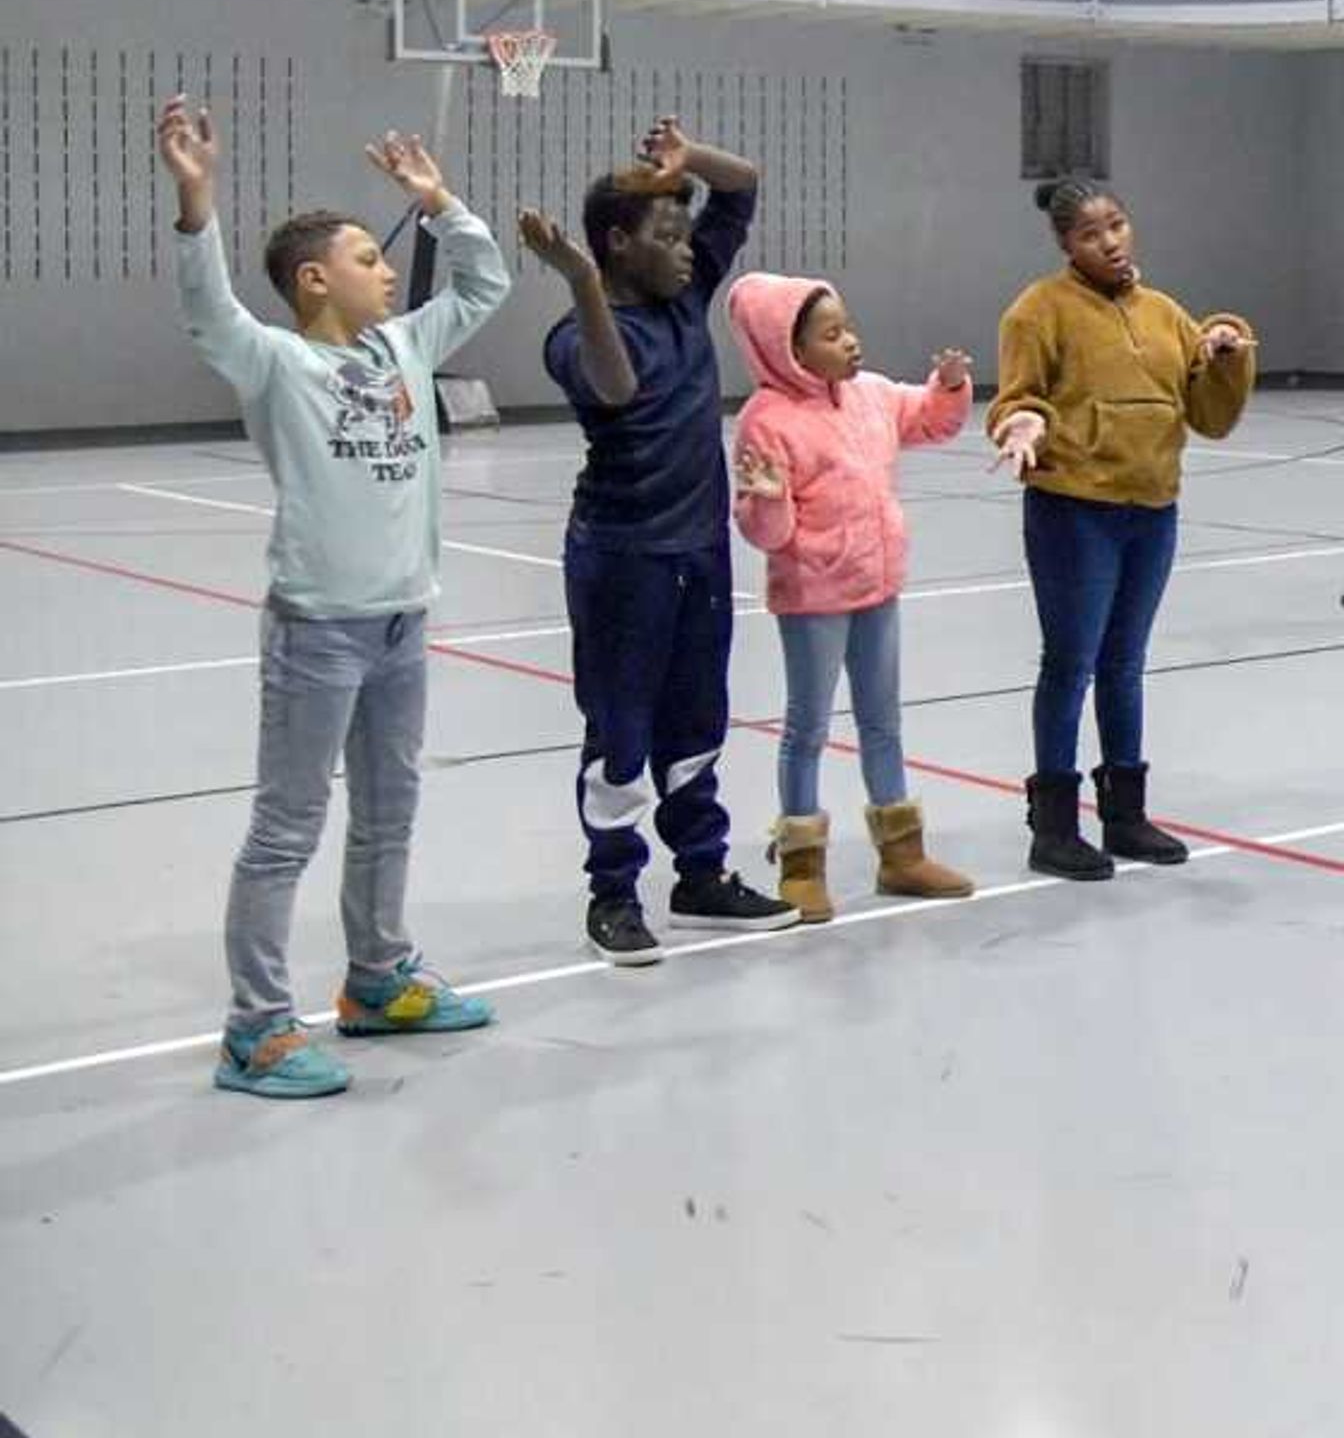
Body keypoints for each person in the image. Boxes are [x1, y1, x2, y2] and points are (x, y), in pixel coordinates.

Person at [159, 97, 506, 1097]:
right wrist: (196, 201)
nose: (388, 269)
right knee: (287, 825)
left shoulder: (403, 349)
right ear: (315, 280)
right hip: (320, 632)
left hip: (405, 620)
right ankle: (257, 1026)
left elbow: (485, 280)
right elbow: (207, 310)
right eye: (368, 256)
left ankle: (378, 979)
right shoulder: (275, 362)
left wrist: (438, 203)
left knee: (390, 810)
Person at [541, 116, 789, 968]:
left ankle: (701, 875)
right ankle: (613, 892)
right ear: (616, 244)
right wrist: (579, 283)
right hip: (621, 557)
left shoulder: (686, 296)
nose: (688, 251)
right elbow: (614, 387)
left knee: (698, 719)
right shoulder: (577, 333)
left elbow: (742, 181)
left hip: (700, 552)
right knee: (621, 732)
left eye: (690, 235)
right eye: (667, 235)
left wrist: (690, 164)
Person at [989, 178, 1258, 881]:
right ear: (1065, 245)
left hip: (1152, 508)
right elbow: (1019, 397)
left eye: (1116, 225)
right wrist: (1021, 422)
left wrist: (1226, 357)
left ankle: (1125, 813)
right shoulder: (1037, 312)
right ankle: (1052, 824)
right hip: (1074, 509)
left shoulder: (1165, 314)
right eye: (1089, 234)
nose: (1109, 242)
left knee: (1125, 663)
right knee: (1070, 661)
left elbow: (1209, 415)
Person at [724, 271, 979, 922]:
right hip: (813, 595)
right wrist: (769, 498)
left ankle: (901, 855)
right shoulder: (766, 421)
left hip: (877, 584)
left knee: (882, 720)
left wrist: (947, 389)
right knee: (807, 727)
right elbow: (765, 532)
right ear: (790, 351)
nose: (850, 343)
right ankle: (802, 863)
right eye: (831, 335)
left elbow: (923, 418)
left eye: (849, 328)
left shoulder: (869, 395)